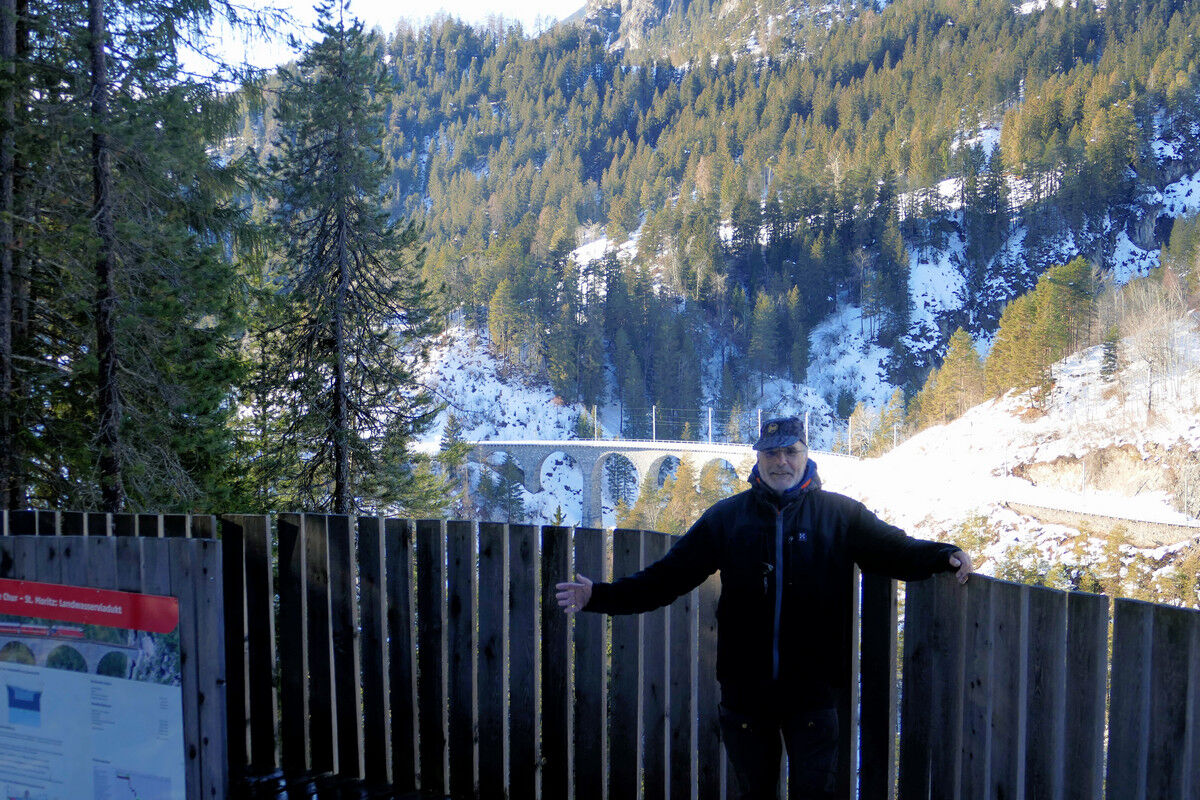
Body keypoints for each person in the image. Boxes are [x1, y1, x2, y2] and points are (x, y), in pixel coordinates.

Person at [556, 415, 972, 800]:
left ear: (806, 454)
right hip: (745, 698)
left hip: (813, 696)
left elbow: (895, 550)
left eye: (790, 451)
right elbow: (668, 578)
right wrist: (600, 597)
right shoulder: (727, 519)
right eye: (771, 453)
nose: (781, 462)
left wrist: (944, 555)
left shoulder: (840, 515)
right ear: (758, 458)